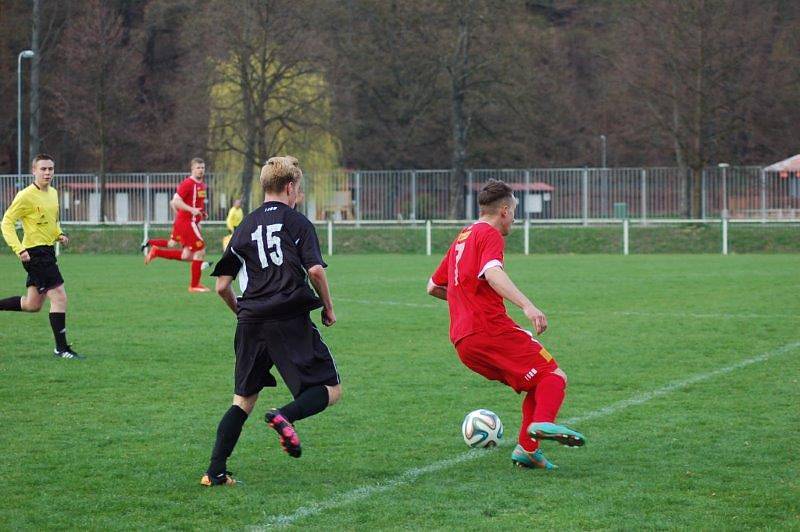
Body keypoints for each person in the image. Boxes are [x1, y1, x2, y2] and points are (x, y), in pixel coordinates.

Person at [200, 156, 341, 487]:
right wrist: (328, 307)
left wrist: (243, 314)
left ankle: (215, 472)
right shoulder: (297, 222)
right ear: (290, 187)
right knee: (331, 389)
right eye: (298, 190)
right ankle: (284, 416)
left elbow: (221, 286)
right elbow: (316, 270)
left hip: (251, 320)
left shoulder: (244, 227)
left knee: (243, 400)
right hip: (288, 316)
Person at [427, 179, 584, 470]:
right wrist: (528, 306)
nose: (514, 218)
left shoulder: (463, 236)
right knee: (554, 376)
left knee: (536, 385)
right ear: (503, 211)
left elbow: (433, 286)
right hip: (489, 329)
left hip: (464, 342)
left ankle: (527, 450)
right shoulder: (489, 234)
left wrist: (465, 303)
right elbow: (493, 272)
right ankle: (544, 424)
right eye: (514, 211)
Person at [0, 154, 83, 359]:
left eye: (51, 169)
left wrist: (59, 234)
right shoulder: (25, 195)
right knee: (60, 297)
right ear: (34, 171)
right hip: (34, 254)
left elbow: (51, 222)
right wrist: (19, 249)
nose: (47, 173)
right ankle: (61, 348)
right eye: (43, 169)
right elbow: (6, 222)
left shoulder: (53, 193)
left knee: (32, 304)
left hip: (47, 251)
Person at [144, 157, 210, 292]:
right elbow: (175, 201)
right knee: (200, 250)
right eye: (198, 168)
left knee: (184, 254)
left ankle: (157, 251)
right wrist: (190, 212)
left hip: (188, 222)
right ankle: (194, 285)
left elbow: (196, 205)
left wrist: (200, 215)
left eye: (202, 168)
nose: (201, 170)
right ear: (192, 169)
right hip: (186, 222)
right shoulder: (187, 183)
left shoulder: (202, 185)